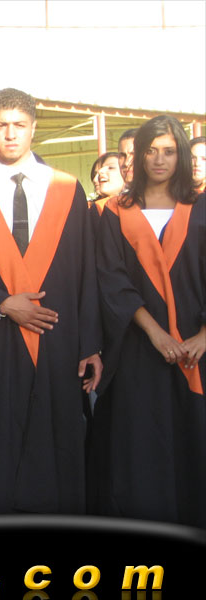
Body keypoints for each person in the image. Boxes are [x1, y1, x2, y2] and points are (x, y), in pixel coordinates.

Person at [0, 88, 102, 516]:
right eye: (1, 126)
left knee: (55, 445)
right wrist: (2, 304)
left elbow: (87, 269)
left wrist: (90, 343)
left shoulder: (68, 190)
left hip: (57, 337)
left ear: (34, 128)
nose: (10, 134)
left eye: (19, 125)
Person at [94, 115, 205, 527]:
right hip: (138, 347)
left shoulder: (201, 208)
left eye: (169, 151)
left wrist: (204, 336)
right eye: (151, 151)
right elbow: (111, 280)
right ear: (138, 156)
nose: (160, 160)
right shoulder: (116, 212)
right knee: (141, 442)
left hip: (197, 349)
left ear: (181, 155)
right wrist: (156, 334)